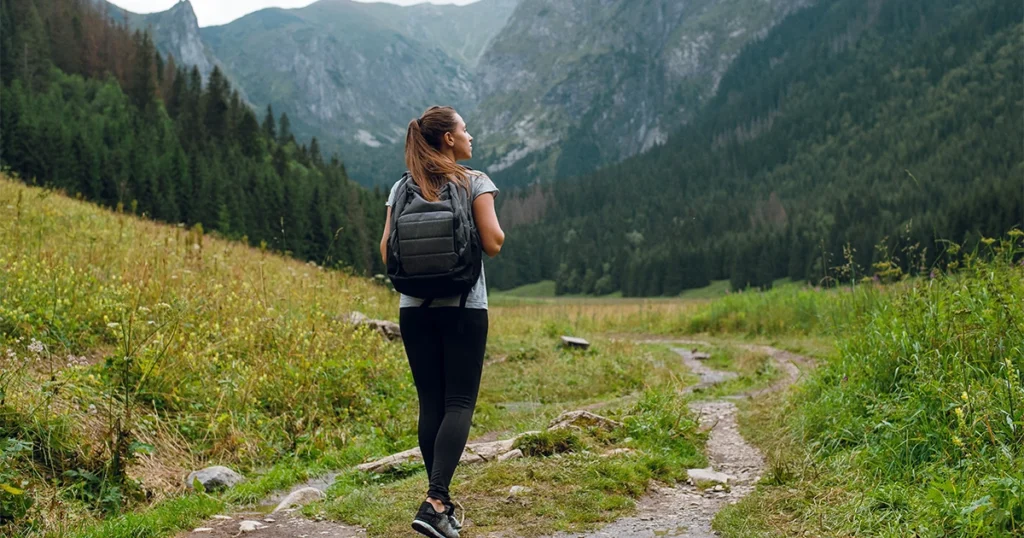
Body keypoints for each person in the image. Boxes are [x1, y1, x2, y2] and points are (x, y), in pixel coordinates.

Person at [379, 105, 505, 538]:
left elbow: (385, 252)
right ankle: (435, 501)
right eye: (465, 129)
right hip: (464, 304)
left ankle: (440, 503)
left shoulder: (401, 187)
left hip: (413, 308)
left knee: (431, 403)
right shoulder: (474, 181)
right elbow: (492, 242)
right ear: (448, 139)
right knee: (459, 403)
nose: (471, 136)